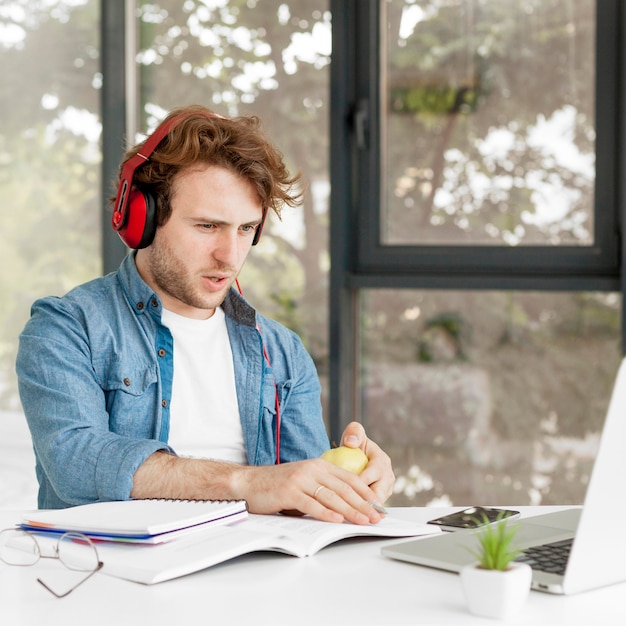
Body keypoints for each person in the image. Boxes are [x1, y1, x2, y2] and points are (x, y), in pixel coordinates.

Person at [16, 104, 395, 525]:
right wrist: (246, 483)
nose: (229, 256)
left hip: (253, 576)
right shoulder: (66, 327)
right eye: (208, 227)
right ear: (143, 219)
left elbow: (300, 500)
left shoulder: (282, 352)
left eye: (246, 229)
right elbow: (74, 461)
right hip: (113, 580)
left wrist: (349, 484)